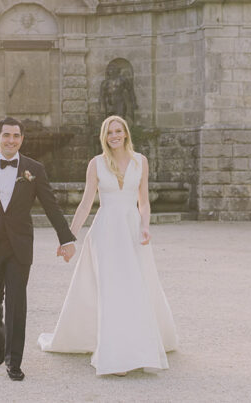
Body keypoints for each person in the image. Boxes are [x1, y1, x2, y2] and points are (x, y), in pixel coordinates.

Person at [38, 115, 177, 376]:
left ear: (125, 133)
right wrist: (69, 238)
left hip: (133, 230)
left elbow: (144, 202)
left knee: (137, 286)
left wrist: (145, 225)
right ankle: (115, 355)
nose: (114, 135)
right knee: (111, 290)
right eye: (109, 132)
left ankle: (139, 349)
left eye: (118, 131)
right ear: (104, 136)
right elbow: (86, 203)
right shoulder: (97, 164)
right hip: (106, 232)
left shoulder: (141, 162)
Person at [0, 117, 77, 382]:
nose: (11, 140)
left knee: (17, 304)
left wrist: (67, 239)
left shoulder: (33, 168)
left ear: (22, 139)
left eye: (16, 136)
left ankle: (13, 361)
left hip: (19, 247)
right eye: (6, 135)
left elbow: (51, 205)